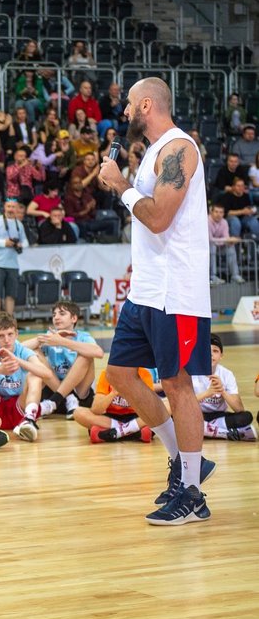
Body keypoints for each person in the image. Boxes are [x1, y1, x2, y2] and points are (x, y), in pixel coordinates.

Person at [97, 76, 215, 525]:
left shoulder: (179, 149)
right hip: (146, 288)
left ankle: (192, 492)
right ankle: (187, 463)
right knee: (120, 373)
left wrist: (121, 185)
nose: (124, 112)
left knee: (177, 383)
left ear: (146, 104)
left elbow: (160, 218)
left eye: (129, 105)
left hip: (176, 291)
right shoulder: (153, 151)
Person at [0, 312, 57, 442]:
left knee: (35, 375)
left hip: (19, 405)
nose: (7, 340)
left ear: (16, 334)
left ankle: (29, 420)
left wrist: (18, 361)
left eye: (10, 334)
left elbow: (47, 374)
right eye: (1, 336)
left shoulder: (23, 351)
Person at [23, 300, 103, 417]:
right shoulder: (50, 337)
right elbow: (19, 349)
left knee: (86, 355)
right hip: (54, 395)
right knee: (35, 353)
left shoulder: (83, 336)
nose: (56, 317)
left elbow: (99, 352)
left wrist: (63, 341)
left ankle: (63, 398)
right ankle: (67, 398)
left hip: (79, 396)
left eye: (62, 313)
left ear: (74, 318)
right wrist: (40, 340)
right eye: (54, 314)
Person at [192, 335, 255, 440]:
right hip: (197, 414)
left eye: (215, 351)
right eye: (207, 351)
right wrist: (208, 393)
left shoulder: (227, 374)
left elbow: (239, 409)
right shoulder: (192, 374)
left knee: (246, 416)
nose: (211, 354)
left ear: (221, 355)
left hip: (219, 416)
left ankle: (207, 429)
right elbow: (185, 403)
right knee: (175, 418)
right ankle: (225, 433)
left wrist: (222, 391)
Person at [72, 367, 157, 443]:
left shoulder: (144, 374)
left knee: (166, 405)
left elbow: (150, 408)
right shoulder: (107, 374)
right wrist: (113, 393)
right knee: (78, 412)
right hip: (112, 418)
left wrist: (131, 393)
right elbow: (96, 409)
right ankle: (133, 432)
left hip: (137, 417)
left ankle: (112, 433)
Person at [0, 199, 28, 314]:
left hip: (13, 264)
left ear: (17, 208)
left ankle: (9, 321)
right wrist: (4, 243)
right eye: (9, 206)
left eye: (13, 207)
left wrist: (20, 244)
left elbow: (26, 241)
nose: (11, 209)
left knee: (11, 295)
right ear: (4, 207)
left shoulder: (19, 224)